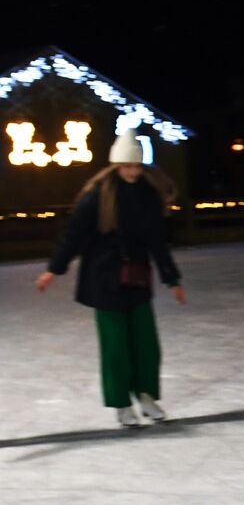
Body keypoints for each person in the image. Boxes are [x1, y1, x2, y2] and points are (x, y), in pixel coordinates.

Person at [35, 132, 186, 427]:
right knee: (116, 346)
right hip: (104, 279)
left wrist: (172, 279)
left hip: (137, 277)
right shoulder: (97, 196)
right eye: (127, 165)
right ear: (116, 165)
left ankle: (146, 396)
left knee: (146, 344)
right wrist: (54, 269)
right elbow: (73, 236)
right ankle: (121, 403)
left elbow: (157, 242)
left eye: (137, 166)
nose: (132, 171)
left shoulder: (148, 196)